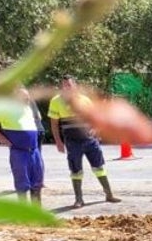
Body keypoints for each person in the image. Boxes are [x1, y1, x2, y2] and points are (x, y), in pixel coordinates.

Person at [49, 77, 119, 208]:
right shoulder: (56, 101)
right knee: (76, 170)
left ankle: (109, 194)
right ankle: (79, 199)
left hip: (90, 140)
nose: (66, 87)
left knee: (99, 167)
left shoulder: (84, 100)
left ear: (75, 85)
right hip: (72, 142)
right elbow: (54, 124)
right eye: (64, 85)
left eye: (69, 85)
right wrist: (58, 141)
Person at [0, 88, 44, 203]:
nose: (27, 99)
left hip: (34, 151)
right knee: (22, 183)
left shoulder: (27, 108)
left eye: (28, 97)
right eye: (24, 97)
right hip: (19, 152)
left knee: (37, 182)